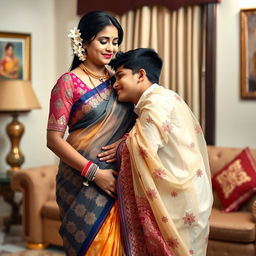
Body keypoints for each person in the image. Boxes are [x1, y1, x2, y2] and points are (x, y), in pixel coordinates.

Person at [46, 11, 134, 256]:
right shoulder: (69, 83)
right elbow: (53, 139)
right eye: (103, 41)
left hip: (116, 178)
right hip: (79, 181)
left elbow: (136, 124)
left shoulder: (119, 81)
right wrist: (94, 173)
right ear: (83, 42)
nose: (111, 49)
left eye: (115, 42)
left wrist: (122, 141)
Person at [110, 48, 213, 256]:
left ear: (140, 75)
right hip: (190, 196)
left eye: (120, 76)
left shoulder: (155, 103)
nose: (115, 84)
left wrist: (121, 145)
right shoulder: (166, 97)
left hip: (180, 203)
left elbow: (144, 149)